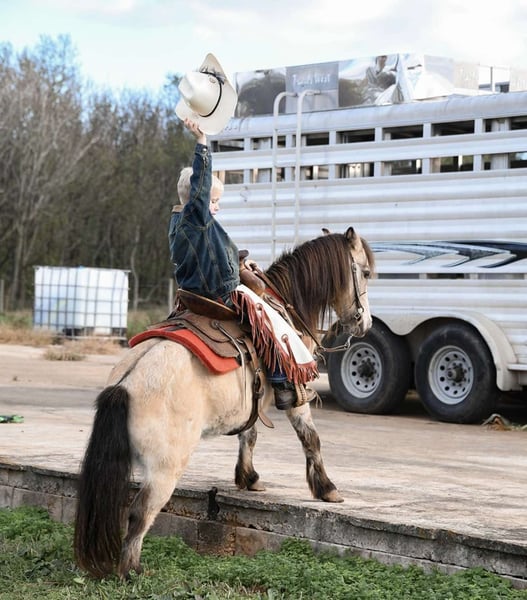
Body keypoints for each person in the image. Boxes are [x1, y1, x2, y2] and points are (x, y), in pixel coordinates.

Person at [169, 55, 317, 410]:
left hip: (194, 289)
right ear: (198, 200)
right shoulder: (195, 216)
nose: (215, 207)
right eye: (213, 201)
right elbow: (201, 189)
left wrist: (235, 260)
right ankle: (282, 380)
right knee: (266, 316)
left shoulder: (180, 222)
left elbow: (208, 254)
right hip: (218, 292)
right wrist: (202, 142)